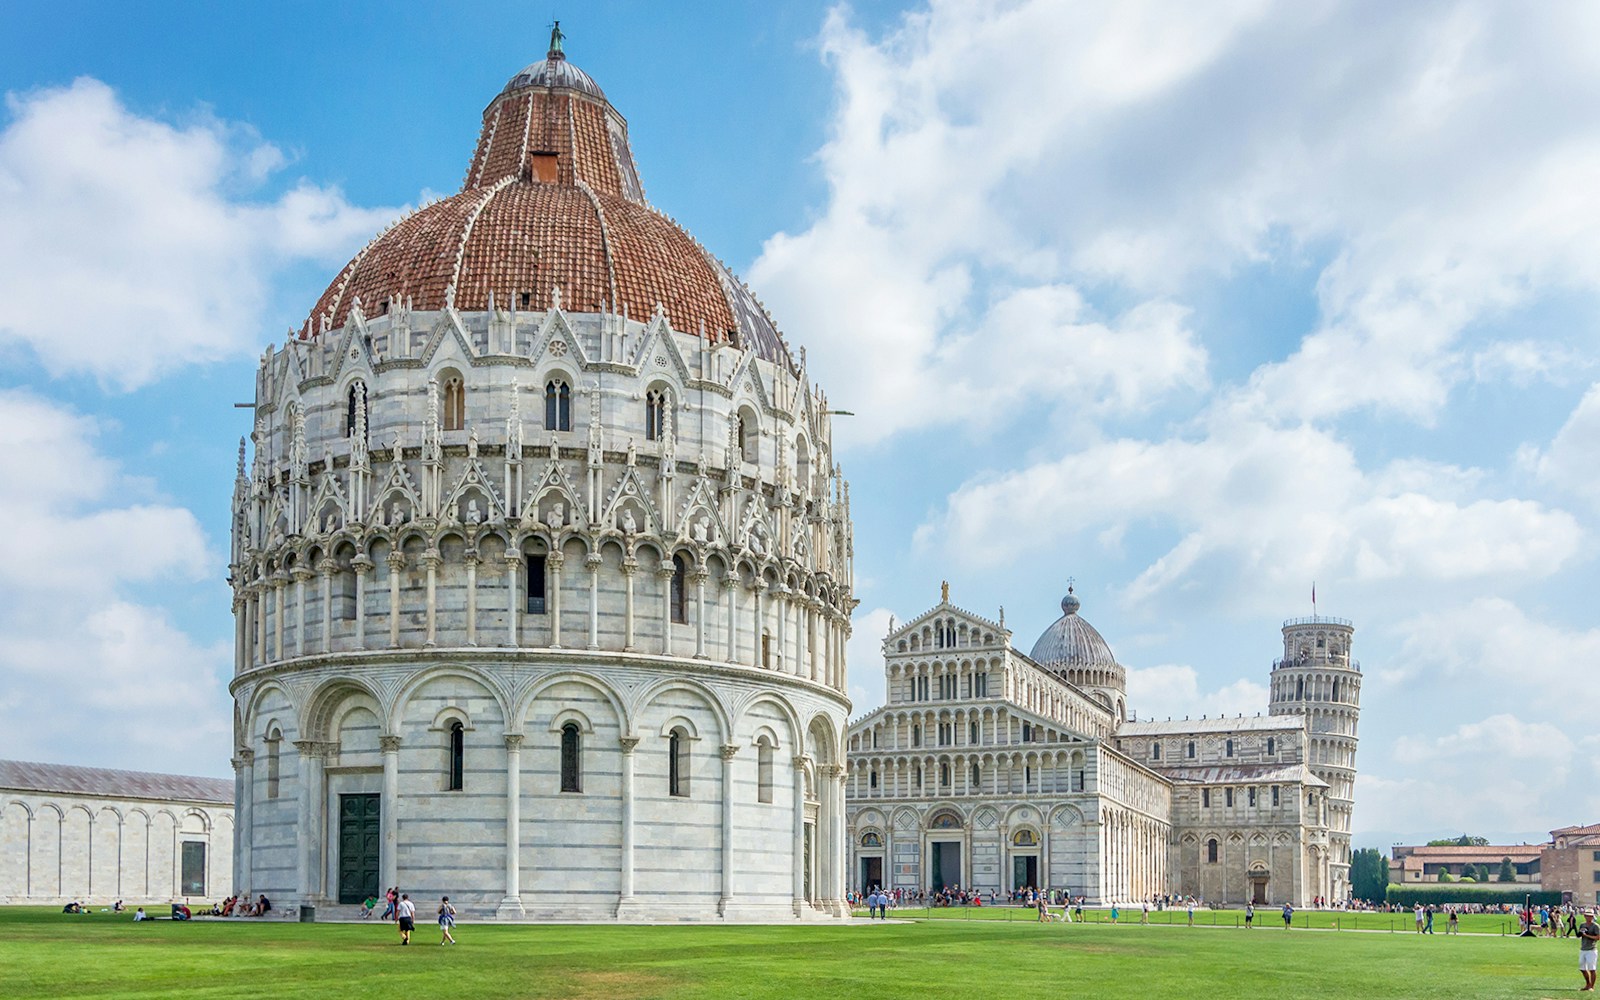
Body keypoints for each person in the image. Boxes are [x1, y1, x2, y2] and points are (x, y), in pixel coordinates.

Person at [1579, 909, 1600, 992]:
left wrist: (1587, 935)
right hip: (1583, 948)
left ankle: (1592, 986)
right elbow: (1580, 934)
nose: (1589, 917)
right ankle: (1588, 984)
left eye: (1590, 916)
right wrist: (1580, 934)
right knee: (1582, 968)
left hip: (1591, 949)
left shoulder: (1595, 926)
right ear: (1585, 916)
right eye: (1587, 916)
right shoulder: (1582, 925)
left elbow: (1598, 937)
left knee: (1592, 969)